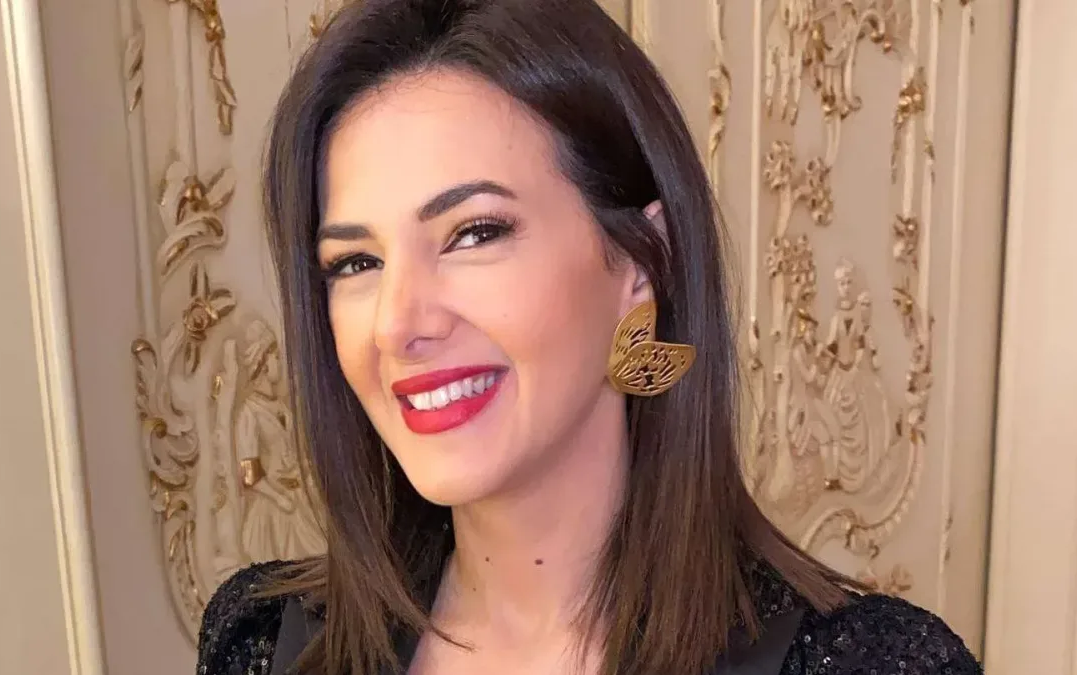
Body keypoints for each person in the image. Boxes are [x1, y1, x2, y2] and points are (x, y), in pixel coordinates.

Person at [195, 0, 982, 673]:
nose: (399, 323)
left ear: (642, 260)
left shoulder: (873, 662)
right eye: (356, 262)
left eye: (474, 233)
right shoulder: (262, 642)